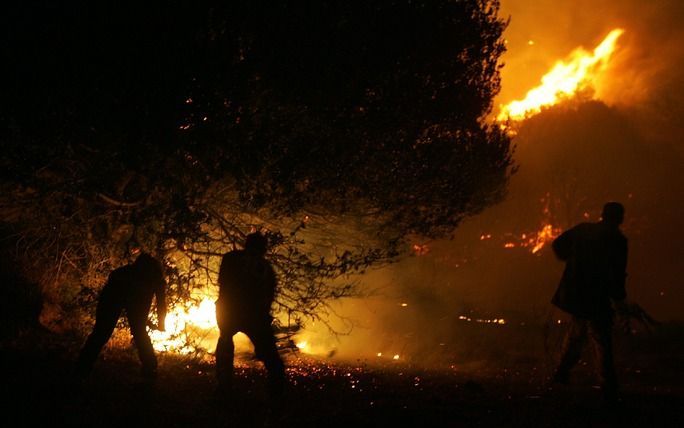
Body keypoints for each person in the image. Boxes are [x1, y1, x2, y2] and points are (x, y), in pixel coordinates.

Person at [550, 202, 628, 403]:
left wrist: (572, 262)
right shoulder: (618, 240)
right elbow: (618, 274)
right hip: (597, 294)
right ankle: (608, 383)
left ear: (602, 215)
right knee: (601, 337)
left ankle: (562, 372)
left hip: (577, 291)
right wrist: (619, 301)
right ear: (619, 218)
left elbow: (558, 246)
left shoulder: (584, 230)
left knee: (578, 332)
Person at [215, 232, 285, 395]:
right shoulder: (265, 268)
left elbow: (223, 284)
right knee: (271, 359)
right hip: (252, 315)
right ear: (263, 249)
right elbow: (269, 295)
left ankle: (223, 388)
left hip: (233, 312)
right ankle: (277, 394)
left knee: (225, 345)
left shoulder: (231, 259)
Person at [76, 252, 166, 379]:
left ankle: (82, 366)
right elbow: (159, 304)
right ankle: (150, 368)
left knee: (104, 332)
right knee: (104, 332)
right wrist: (160, 324)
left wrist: (158, 322)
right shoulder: (130, 276)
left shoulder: (135, 275)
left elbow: (153, 306)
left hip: (116, 294)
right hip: (114, 294)